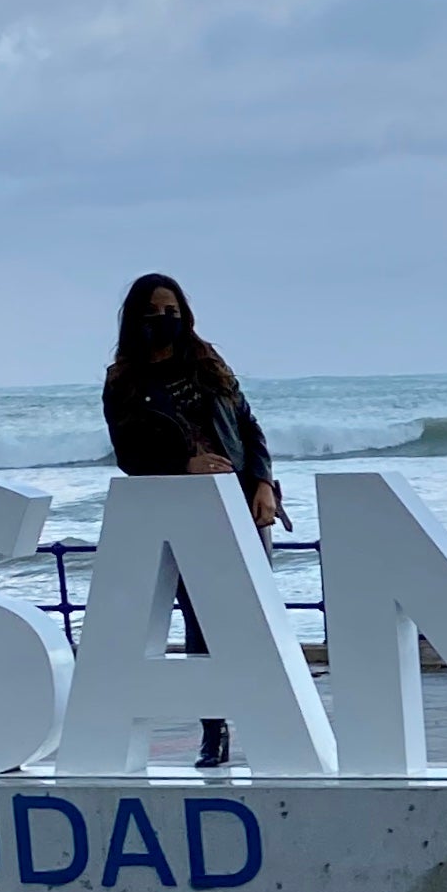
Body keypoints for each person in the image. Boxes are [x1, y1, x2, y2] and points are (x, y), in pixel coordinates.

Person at [101, 272, 283, 769]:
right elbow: (128, 454)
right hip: (183, 513)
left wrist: (264, 482)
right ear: (137, 318)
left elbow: (249, 427)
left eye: (174, 310)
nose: (167, 320)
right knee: (202, 620)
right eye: (156, 312)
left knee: (256, 616)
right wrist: (183, 464)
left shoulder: (209, 364)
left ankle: (279, 724)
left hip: (242, 505)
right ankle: (213, 729)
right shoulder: (123, 381)